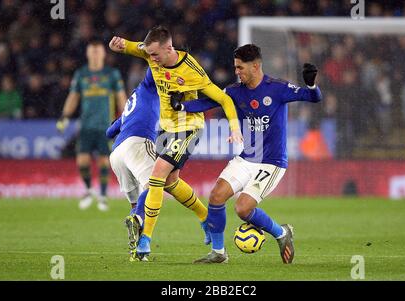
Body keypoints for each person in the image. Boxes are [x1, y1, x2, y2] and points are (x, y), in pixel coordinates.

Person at [171, 44, 322, 264]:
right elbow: (209, 101)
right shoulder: (234, 91)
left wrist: (311, 83)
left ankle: (281, 233)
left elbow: (313, 97)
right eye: (235, 67)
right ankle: (219, 253)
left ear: (256, 66)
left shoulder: (277, 88)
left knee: (242, 208)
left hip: (272, 163)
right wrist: (182, 107)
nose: (237, 72)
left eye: (240, 67)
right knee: (216, 196)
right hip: (246, 157)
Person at [109, 25, 243, 260]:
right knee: (171, 181)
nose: (151, 59)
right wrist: (119, 45)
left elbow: (223, 98)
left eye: (155, 55)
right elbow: (132, 47)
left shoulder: (192, 70)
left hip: (189, 127)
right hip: (167, 129)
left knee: (157, 176)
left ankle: (145, 242)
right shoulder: (151, 54)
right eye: (149, 54)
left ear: (169, 48)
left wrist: (234, 127)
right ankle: (205, 218)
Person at [106, 67, 211, 261]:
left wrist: (123, 123)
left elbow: (109, 131)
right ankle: (138, 220)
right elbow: (154, 67)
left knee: (138, 201)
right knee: (155, 185)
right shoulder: (151, 84)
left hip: (117, 153)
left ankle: (137, 252)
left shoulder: (134, 99)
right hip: (137, 144)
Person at [56, 38, 127, 211]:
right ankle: (88, 190)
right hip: (86, 125)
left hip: (105, 126)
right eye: (92, 51)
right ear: (88, 53)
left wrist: (126, 118)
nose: (95, 54)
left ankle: (102, 196)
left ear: (103, 53)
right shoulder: (81, 74)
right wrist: (65, 116)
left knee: (104, 161)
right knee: (82, 161)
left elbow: (120, 97)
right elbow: (73, 97)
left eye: (98, 51)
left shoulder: (112, 74)